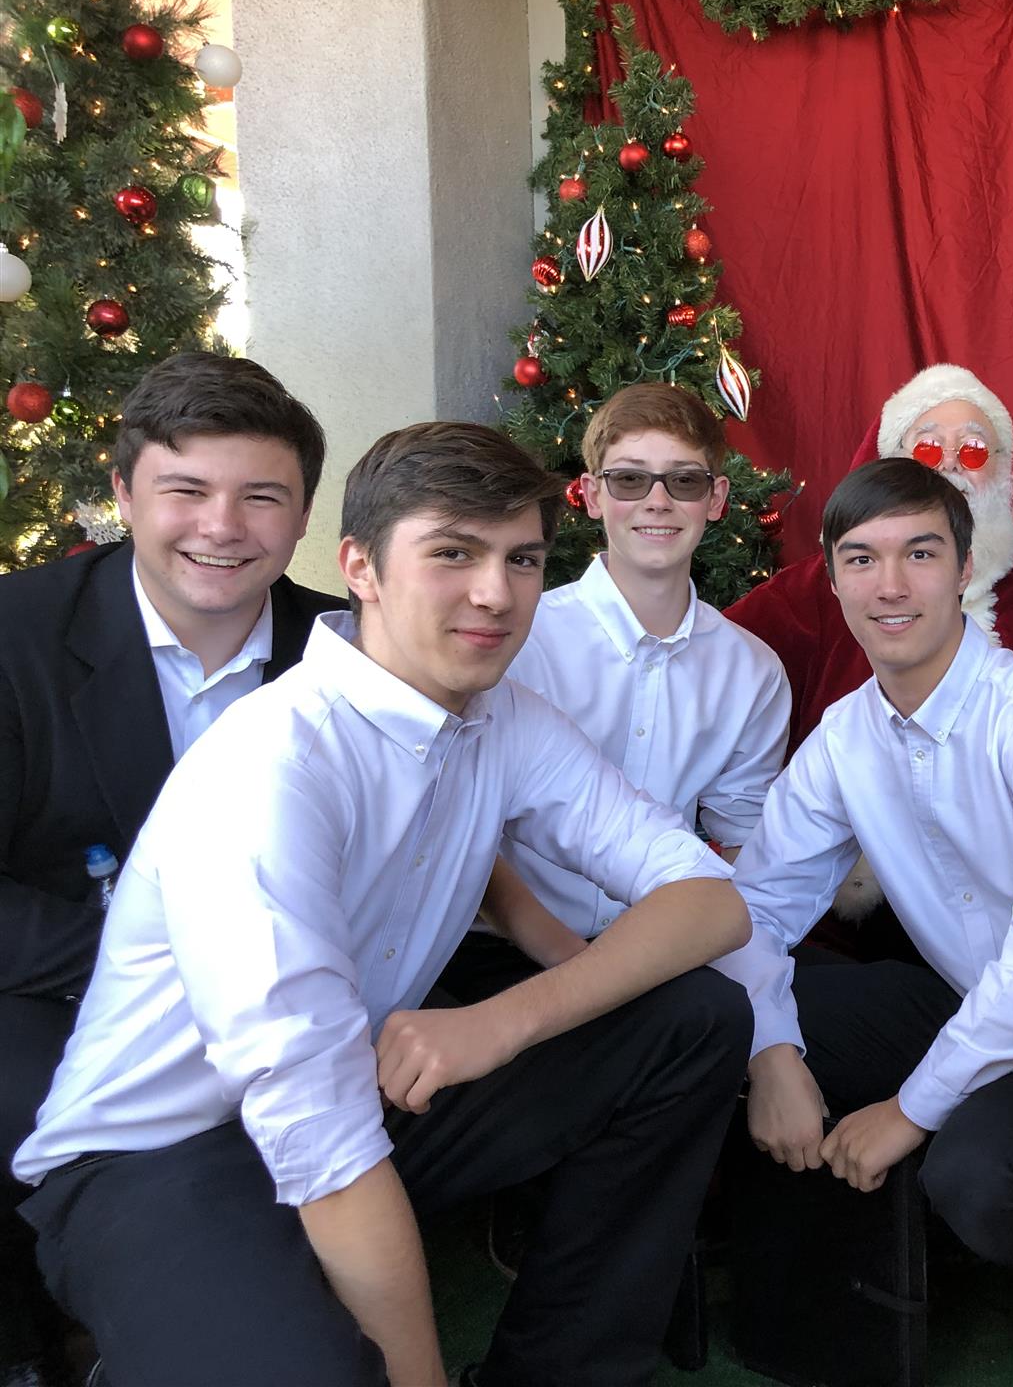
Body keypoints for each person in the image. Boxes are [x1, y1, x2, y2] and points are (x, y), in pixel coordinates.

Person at [13, 422, 753, 1387]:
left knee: (694, 1018)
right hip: (160, 1156)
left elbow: (709, 898)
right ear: (360, 566)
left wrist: (500, 1022)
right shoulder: (271, 766)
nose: (496, 592)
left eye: (521, 558)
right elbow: (320, 1144)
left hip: (355, 1093)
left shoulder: (504, 720)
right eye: (453, 552)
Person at [717, 458, 1013, 1383]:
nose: (892, 585)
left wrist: (910, 1112)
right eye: (862, 560)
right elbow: (753, 911)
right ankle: (832, 1294)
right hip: (963, 1002)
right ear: (832, 581)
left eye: (921, 553)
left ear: (965, 568)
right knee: (711, 1021)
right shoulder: (845, 733)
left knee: (977, 1180)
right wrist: (771, 1056)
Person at [0, 352, 338, 1387]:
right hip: (61, 987)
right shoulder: (13, 634)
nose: (222, 527)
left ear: (303, 513)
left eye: (262, 497)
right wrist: (162, 964)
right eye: (185, 490)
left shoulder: (347, 649)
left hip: (297, 999)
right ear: (121, 494)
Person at [439, 382, 791, 1005]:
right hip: (505, 949)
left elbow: (740, 849)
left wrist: (765, 1019)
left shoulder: (753, 671)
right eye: (630, 481)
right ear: (593, 493)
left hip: (662, 953)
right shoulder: (516, 638)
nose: (657, 501)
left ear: (716, 499)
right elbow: (464, 826)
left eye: (683, 481)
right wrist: (571, 963)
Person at [725, 364, 1013, 749]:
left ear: (1003, 467)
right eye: (929, 448)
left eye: (972, 450)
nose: (949, 462)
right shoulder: (814, 590)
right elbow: (714, 664)